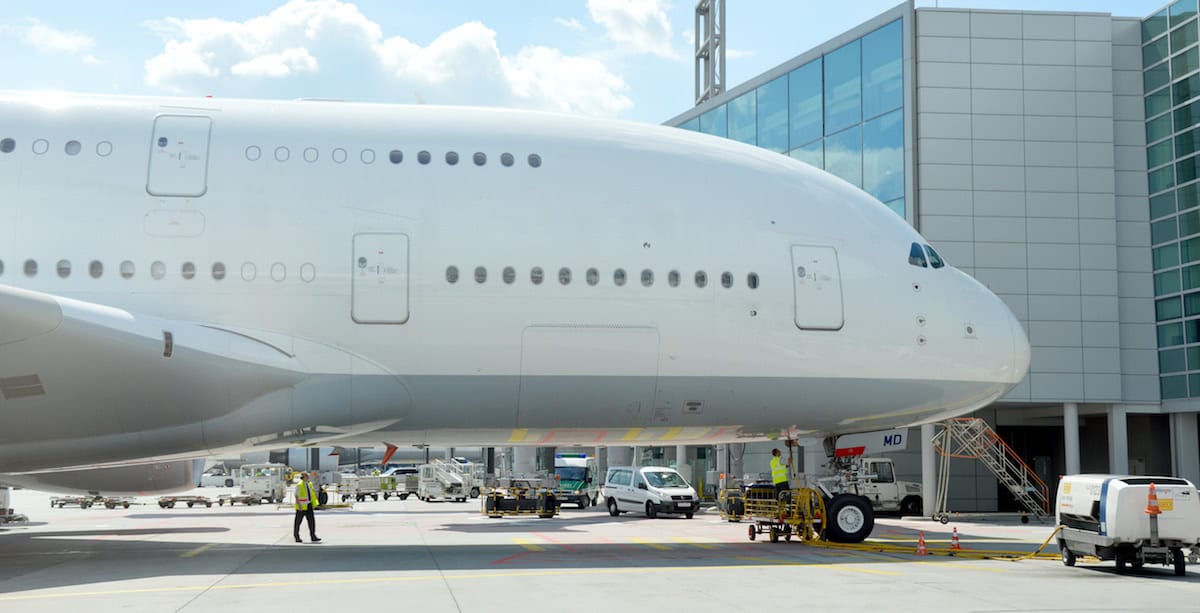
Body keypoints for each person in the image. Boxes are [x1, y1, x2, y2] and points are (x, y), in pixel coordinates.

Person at [293, 473, 321, 543]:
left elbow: (312, 494)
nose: (309, 477)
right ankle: (296, 536)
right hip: (301, 506)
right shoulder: (299, 485)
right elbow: (296, 495)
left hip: (309, 505)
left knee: (311, 521)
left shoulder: (309, 484)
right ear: (304, 477)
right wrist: (299, 505)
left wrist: (314, 504)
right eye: (307, 476)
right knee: (298, 522)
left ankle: (313, 536)